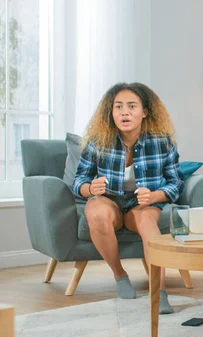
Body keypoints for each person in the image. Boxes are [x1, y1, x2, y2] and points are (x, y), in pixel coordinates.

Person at [72, 82, 184, 315]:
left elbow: (176, 182)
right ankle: (120, 275)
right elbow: (79, 181)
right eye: (118, 107)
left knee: (147, 223)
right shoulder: (98, 141)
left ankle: (159, 291)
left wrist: (154, 195)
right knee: (95, 211)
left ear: (144, 112)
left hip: (142, 205)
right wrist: (90, 188)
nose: (124, 112)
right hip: (109, 201)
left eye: (132, 106)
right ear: (111, 113)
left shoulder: (161, 142)